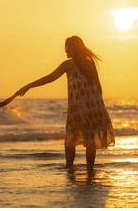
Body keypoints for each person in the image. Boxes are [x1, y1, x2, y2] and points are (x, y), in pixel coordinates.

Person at [17, 35, 115, 170]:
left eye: (66, 47)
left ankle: (69, 167)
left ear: (73, 48)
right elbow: (98, 86)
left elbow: (50, 78)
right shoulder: (89, 62)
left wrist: (29, 86)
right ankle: (89, 169)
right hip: (93, 107)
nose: (65, 50)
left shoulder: (68, 64)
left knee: (71, 138)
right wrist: (98, 106)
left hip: (77, 107)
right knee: (91, 139)